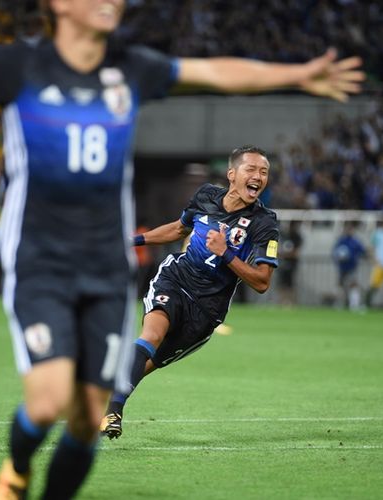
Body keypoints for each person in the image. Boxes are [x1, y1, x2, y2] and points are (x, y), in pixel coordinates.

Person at [0, 1, 364, 497]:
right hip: (41, 257)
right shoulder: (16, 65)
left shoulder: (129, 67)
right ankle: (14, 474)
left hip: (103, 266)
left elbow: (213, 71)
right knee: (44, 404)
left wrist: (299, 71)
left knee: (89, 415)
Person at [100, 145, 279, 439]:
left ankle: (101, 394)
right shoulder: (206, 195)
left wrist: (226, 254)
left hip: (207, 311)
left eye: (264, 172)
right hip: (176, 280)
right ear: (232, 174)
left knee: (142, 365)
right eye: (252, 169)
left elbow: (262, 282)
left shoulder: (264, 223)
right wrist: (134, 241)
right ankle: (113, 413)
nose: (258, 177)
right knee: (151, 336)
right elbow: (178, 229)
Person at [332, 221, 366, 311]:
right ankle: (339, 304)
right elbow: (334, 253)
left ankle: (354, 304)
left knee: (353, 285)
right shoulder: (341, 241)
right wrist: (338, 259)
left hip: (352, 267)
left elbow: (363, 251)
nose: (349, 231)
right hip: (342, 267)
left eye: (350, 229)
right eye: (347, 229)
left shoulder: (355, 242)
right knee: (340, 286)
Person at [277, 220, 303, 305]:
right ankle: (282, 302)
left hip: (292, 264)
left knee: (290, 284)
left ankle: (291, 302)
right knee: (281, 284)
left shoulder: (296, 237)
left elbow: (296, 253)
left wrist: (283, 255)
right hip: (281, 263)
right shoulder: (282, 235)